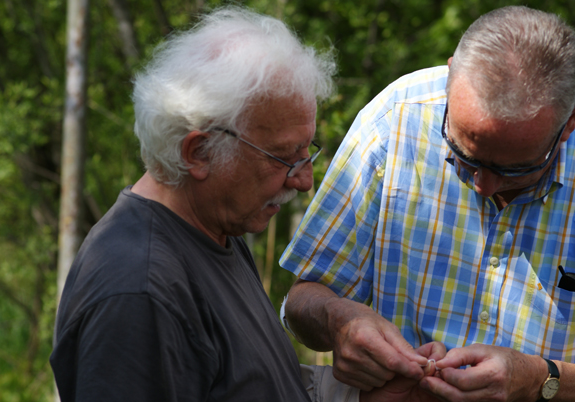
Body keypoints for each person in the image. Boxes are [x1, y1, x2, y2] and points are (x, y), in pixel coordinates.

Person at [48, 6, 377, 402]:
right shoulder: (138, 293)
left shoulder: (217, 228)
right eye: (282, 157)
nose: (304, 180)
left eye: (306, 152)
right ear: (199, 152)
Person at [280, 5, 575, 402]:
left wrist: (541, 380)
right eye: (463, 155)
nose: (482, 186)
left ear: (567, 125)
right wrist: (340, 321)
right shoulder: (396, 121)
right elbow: (302, 299)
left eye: (515, 170)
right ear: (452, 77)